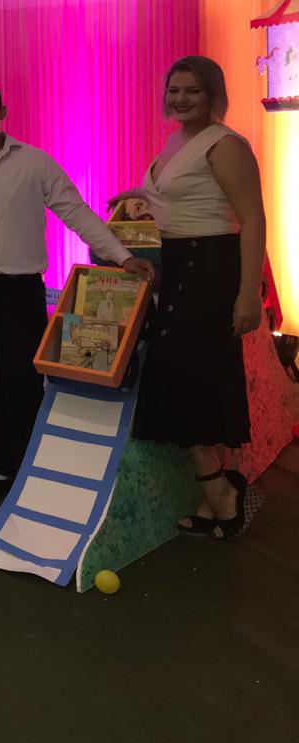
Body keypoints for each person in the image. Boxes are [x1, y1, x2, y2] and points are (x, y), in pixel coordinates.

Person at [0, 78, 154, 503]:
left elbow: (76, 213)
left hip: (18, 292)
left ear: (2, 110)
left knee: (23, 383)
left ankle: (29, 475)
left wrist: (122, 257)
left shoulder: (34, 163)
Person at [114, 56, 266, 539]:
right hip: (180, 267)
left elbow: (253, 219)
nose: (181, 99)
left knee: (187, 382)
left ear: (213, 94)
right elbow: (179, 193)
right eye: (174, 90)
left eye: (193, 90)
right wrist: (134, 194)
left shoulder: (226, 144)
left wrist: (248, 294)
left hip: (211, 269)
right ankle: (216, 489)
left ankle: (220, 492)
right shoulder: (177, 140)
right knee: (186, 380)